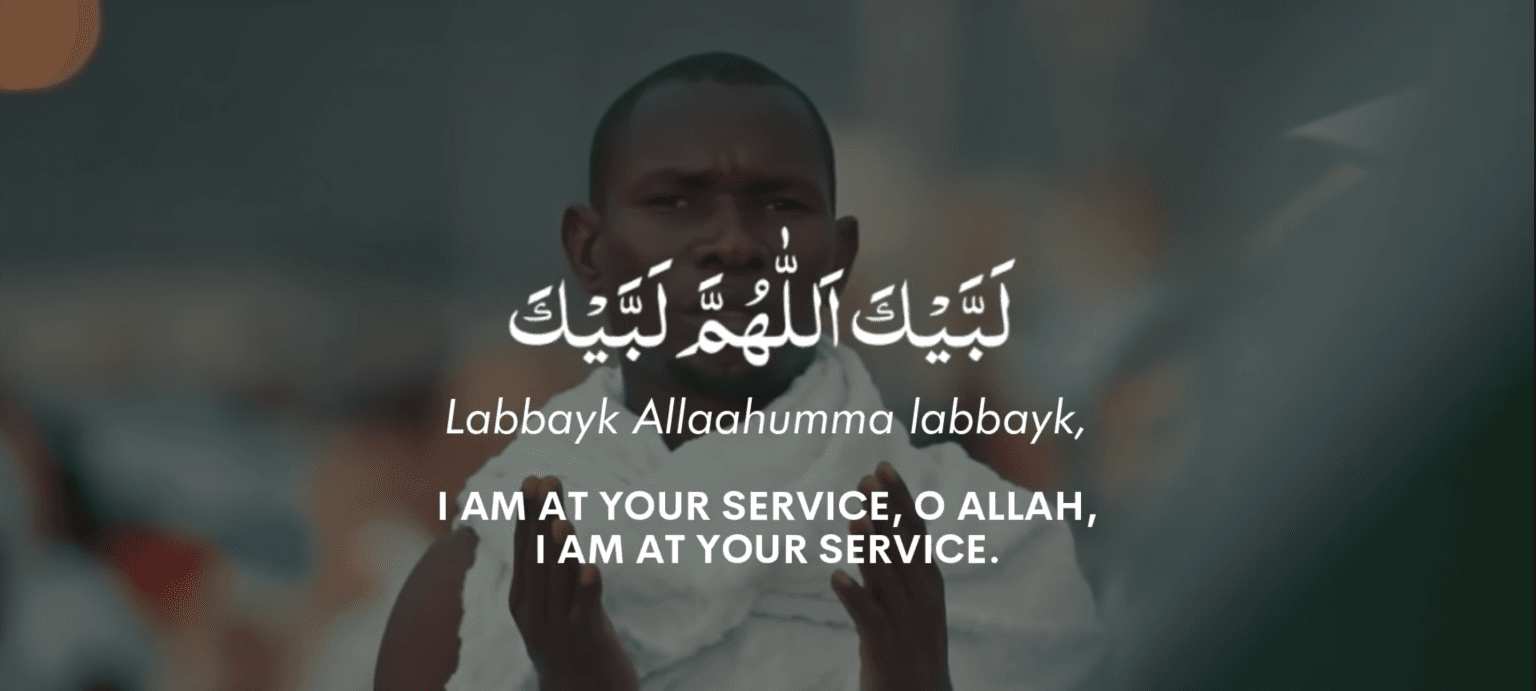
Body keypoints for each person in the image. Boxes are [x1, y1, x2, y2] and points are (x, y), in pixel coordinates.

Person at [376, 52, 1100, 691]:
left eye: (779, 204)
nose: (732, 242)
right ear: (588, 248)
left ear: (839, 257)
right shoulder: (478, 594)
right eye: (674, 202)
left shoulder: (995, 564)